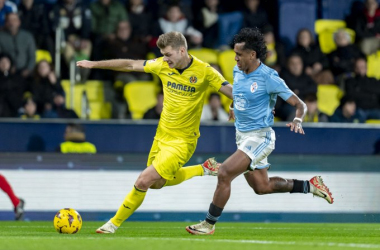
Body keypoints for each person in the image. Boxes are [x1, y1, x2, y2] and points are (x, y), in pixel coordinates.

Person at [76, 31, 233, 234]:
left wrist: (235, 104)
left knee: (143, 180)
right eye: (163, 55)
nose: (165, 59)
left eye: (168, 54)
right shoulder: (162, 65)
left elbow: (231, 90)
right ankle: (203, 169)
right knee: (156, 183)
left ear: (182, 50)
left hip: (182, 141)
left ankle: (112, 224)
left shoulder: (204, 71)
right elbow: (130, 65)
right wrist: (94, 64)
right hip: (161, 136)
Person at [186, 28, 334, 235]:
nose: (235, 58)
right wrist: (232, 107)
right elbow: (239, 94)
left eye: (239, 54)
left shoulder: (269, 77)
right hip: (242, 136)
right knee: (262, 187)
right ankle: (310, 186)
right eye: (235, 53)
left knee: (224, 173)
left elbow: (299, 103)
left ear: (252, 55)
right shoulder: (238, 70)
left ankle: (208, 224)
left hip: (260, 137)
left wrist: (298, 119)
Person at [0, 13, 36, 79]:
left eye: (14, 20)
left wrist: (28, 70)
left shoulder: (27, 36)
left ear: (19, 22)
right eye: (9, 20)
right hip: (6, 73)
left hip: (25, 73)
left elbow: (32, 56)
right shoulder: (1, 36)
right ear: (5, 23)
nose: (11, 23)